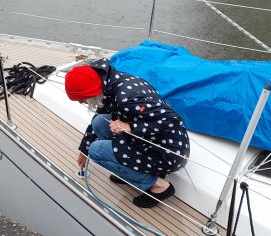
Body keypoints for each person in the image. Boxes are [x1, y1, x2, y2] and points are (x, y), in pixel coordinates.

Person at [65, 59, 189, 208]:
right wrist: (83, 150)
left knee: (96, 150)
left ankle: (159, 186)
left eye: (82, 100)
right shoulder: (112, 81)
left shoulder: (127, 97)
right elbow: (101, 115)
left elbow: (174, 121)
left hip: (167, 152)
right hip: (150, 138)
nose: (84, 102)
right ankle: (129, 171)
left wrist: (130, 126)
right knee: (99, 122)